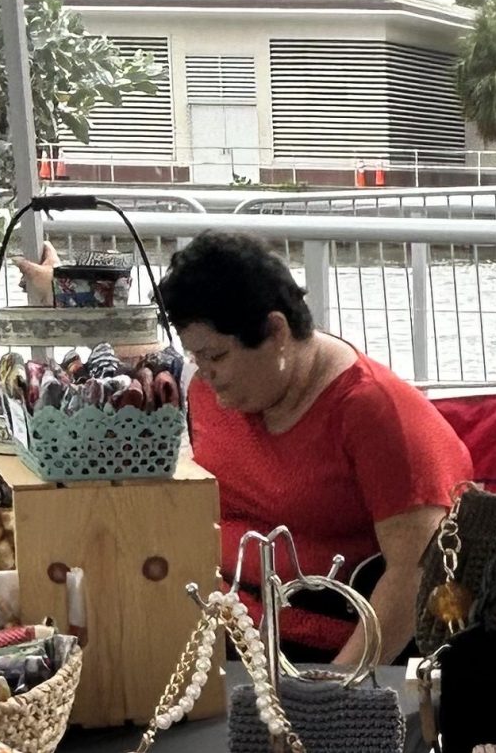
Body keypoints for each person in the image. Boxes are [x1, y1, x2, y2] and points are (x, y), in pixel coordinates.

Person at [158, 231, 471, 665]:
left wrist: (336, 689)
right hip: (226, 620)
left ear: (276, 331)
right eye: (196, 359)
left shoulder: (376, 412)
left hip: (325, 647)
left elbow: (415, 573)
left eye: (217, 357)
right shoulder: (214, 393)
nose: (206, 374)